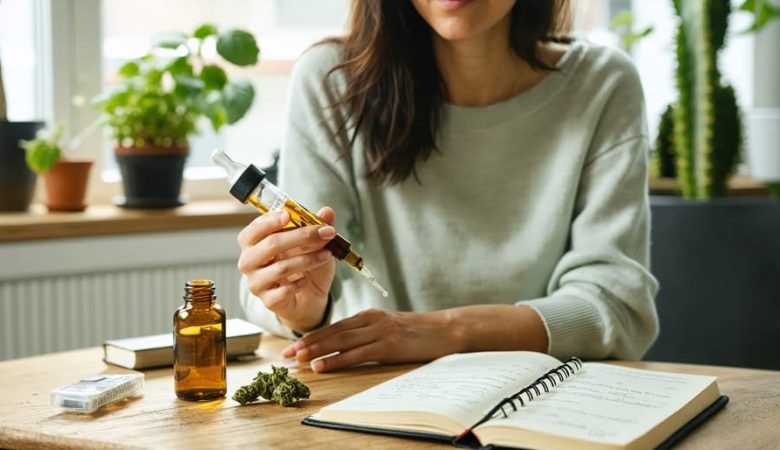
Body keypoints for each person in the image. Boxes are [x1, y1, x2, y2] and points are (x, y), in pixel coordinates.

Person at [238, 0, 659, 373]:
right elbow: (298, 287)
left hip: (545, 405)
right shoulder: (330, 80)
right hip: (370, 402)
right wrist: (302, 308)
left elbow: (615, 308)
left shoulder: (603, 85)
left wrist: (444, 331)